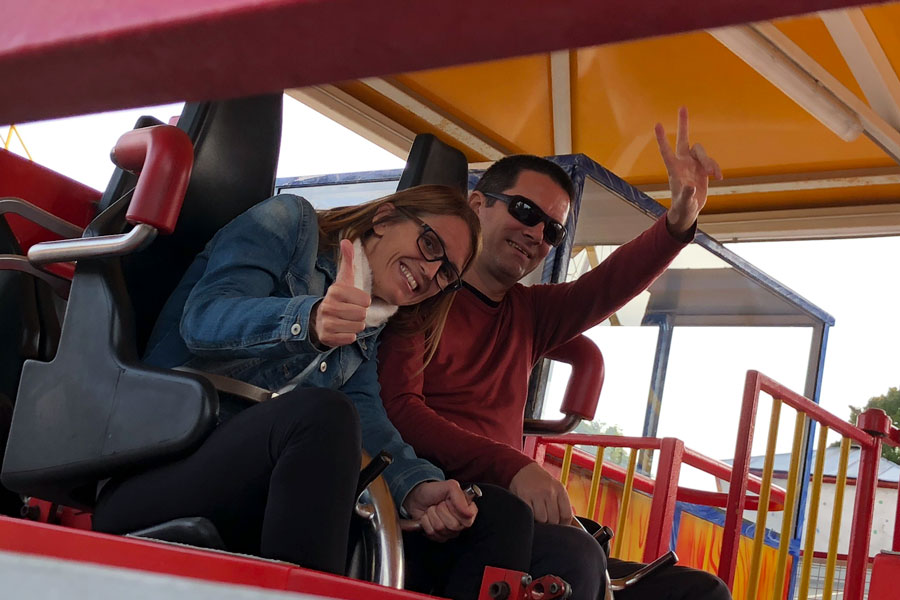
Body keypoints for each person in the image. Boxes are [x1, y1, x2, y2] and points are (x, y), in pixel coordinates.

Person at [92, 184, 533, 599]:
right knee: (322, 416)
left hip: (267, 493)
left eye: (446, 275)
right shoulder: (291, 223)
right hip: (159, 466)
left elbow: (368, 418)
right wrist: (310, 320)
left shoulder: (372, 318)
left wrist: (417, 488)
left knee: (500, 515)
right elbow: (204, 318)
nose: (431, 272)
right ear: (383, 218)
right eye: (431, 246)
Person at [378, 108, 732, 600]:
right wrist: (512, 466)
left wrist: (679, 219)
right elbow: (401, 411)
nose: (536, 235)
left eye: (553, 230)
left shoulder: (530, 313)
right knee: (573, 559)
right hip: (442, 511)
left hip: (516, 516)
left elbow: (605, 287)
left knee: (700, 592)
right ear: (477, 204)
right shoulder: (421, 292)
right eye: (524, 212)